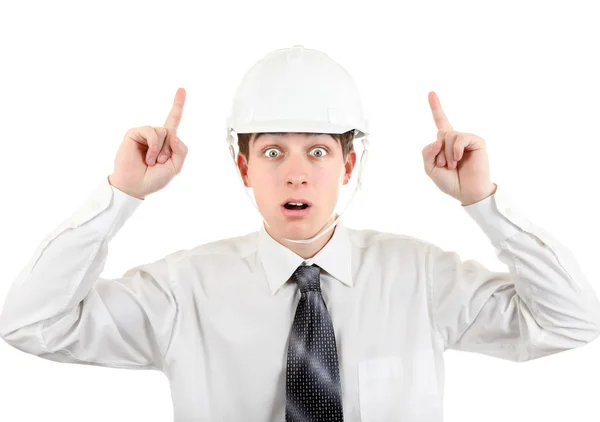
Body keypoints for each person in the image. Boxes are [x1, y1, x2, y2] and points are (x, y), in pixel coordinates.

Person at [1, 45, 599, 422]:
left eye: (317, 150)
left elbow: (573, 320)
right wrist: (119, 196)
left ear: (347, 166)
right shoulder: (182, 290)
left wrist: (486, 205)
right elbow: (29, 324)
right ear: (243, 167)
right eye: (271, 151)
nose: (294, 172)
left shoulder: (420, 277)